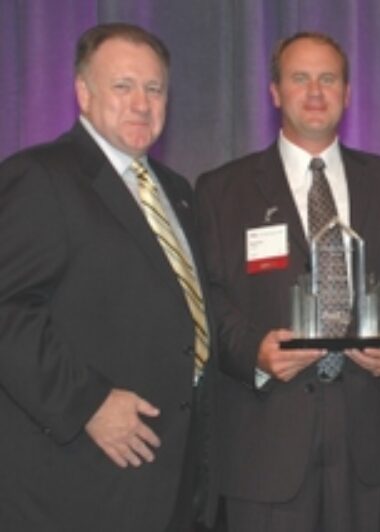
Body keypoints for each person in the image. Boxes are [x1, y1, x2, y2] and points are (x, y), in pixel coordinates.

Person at [194, 31, 380, 532]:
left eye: (328, 79)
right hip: (265, 440)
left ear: (348, 92)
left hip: (371, 437)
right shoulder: (222, 190)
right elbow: (207, 298)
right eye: (300, 78)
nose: (315, 92)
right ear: (274, 92)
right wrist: (253, 352)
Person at [0, 23, 217, 532]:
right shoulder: (40, 176)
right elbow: (6, 309)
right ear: (83, 93)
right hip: (81, 480)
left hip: (173, 478)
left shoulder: (178, 191)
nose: (141, 103)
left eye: (154, 88)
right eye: (122, 86)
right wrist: (87, 403)